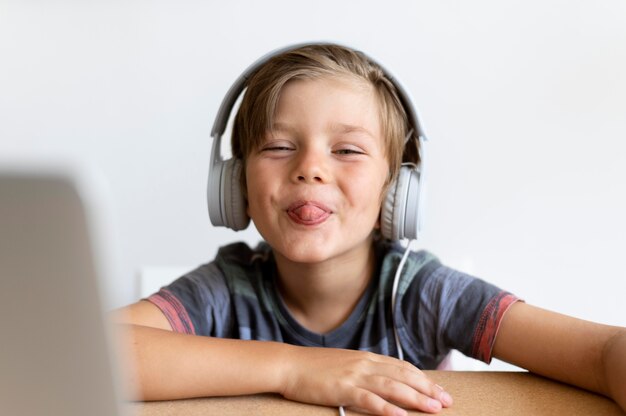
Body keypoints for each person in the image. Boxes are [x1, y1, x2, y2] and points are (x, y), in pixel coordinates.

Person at [112, 43, 626, 416]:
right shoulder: (226, 288)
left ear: (395, 192)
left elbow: (603, 354)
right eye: (278, 146)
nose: (309, 168)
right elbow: (95, 350)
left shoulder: (422, 292)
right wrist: (294, 369)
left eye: (348, 150)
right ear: (235, 183)